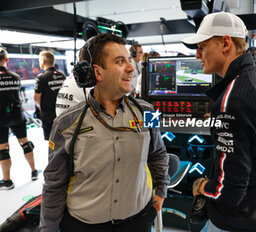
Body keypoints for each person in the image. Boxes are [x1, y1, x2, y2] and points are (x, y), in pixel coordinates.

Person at [40, 33, 170, 232]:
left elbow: (158, 154)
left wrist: (160, 191)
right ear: (97, 73)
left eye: (129, 60)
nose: (130, 68)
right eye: (120, 61)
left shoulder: (148, 112)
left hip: (138, 221)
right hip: (83, 226)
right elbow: (54, 183)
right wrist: (47, 228)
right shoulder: (66, 123)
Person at [183, 12, 256, 232]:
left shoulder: (233, 100)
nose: (198, 55)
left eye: (202, 46)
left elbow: (227, 191)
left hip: (236, 220)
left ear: (225, 43)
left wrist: (200, 187)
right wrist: (223, 120)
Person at [0, 47, 38, 190]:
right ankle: (34, 172)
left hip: (0, 118)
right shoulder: (16, 77)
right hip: (17, 115)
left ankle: (7, 181)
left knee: (3, 149)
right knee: (25, 143)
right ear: (7, 60)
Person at [34, 51, 66, 140]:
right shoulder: (62, 75)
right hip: (62, 113)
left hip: (48, 115)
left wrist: (40, 108)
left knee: (52, 141)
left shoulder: (41, 77)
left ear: (43, 62)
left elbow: (36, 99)